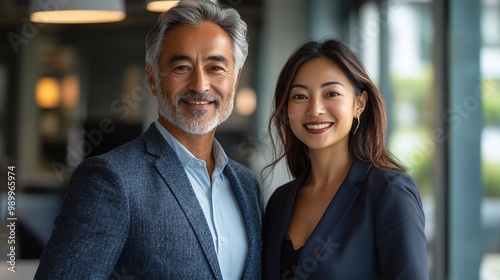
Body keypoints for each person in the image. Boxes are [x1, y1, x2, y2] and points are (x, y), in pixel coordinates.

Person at [35, 1, 263, 279]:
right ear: (153, 78)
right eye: (182, 67)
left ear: (235, 80)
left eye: (215, 67)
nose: (200, 85)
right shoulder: (111, 179)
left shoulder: (247, 184)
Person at [262, 39, 429, 279]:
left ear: (359, 104)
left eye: (331, 93)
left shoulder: (389, 193)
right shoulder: (280, 200)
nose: (315, 109)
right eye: (299, 96)